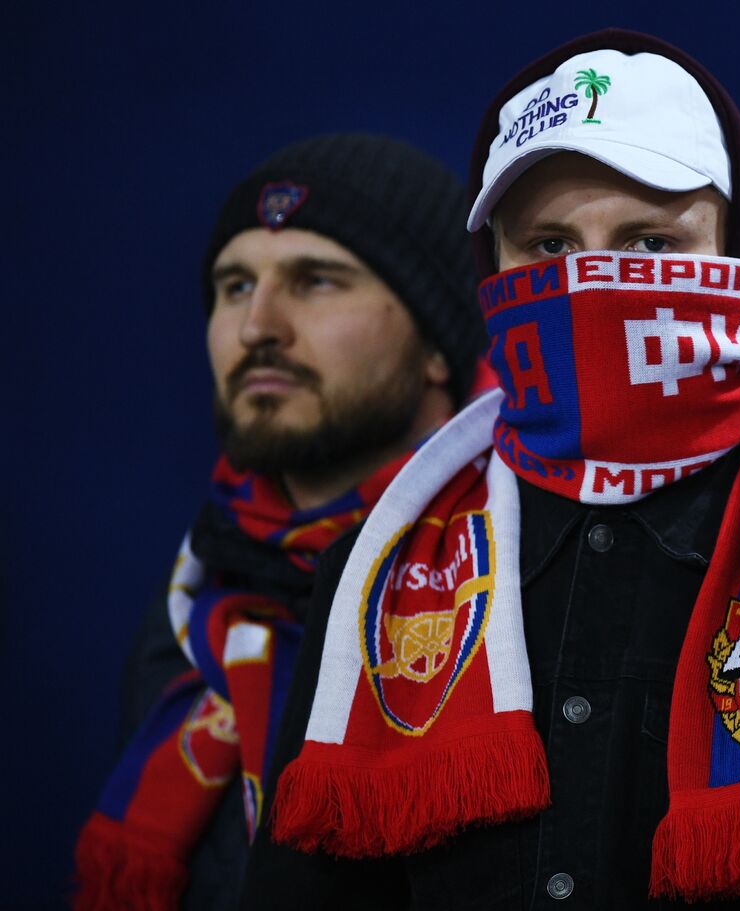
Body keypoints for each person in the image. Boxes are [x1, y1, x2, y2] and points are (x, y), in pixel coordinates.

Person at [237, 28, 740, 910]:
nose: (592, 282)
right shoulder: (379, 570)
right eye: (548, 247)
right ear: (494, 267)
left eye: (650, 244)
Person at [74, 133, 486, 911]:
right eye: (235, 286)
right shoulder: (200, 599)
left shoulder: (524, 578)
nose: (257, 325)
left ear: (438, 346)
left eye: (316, 280)